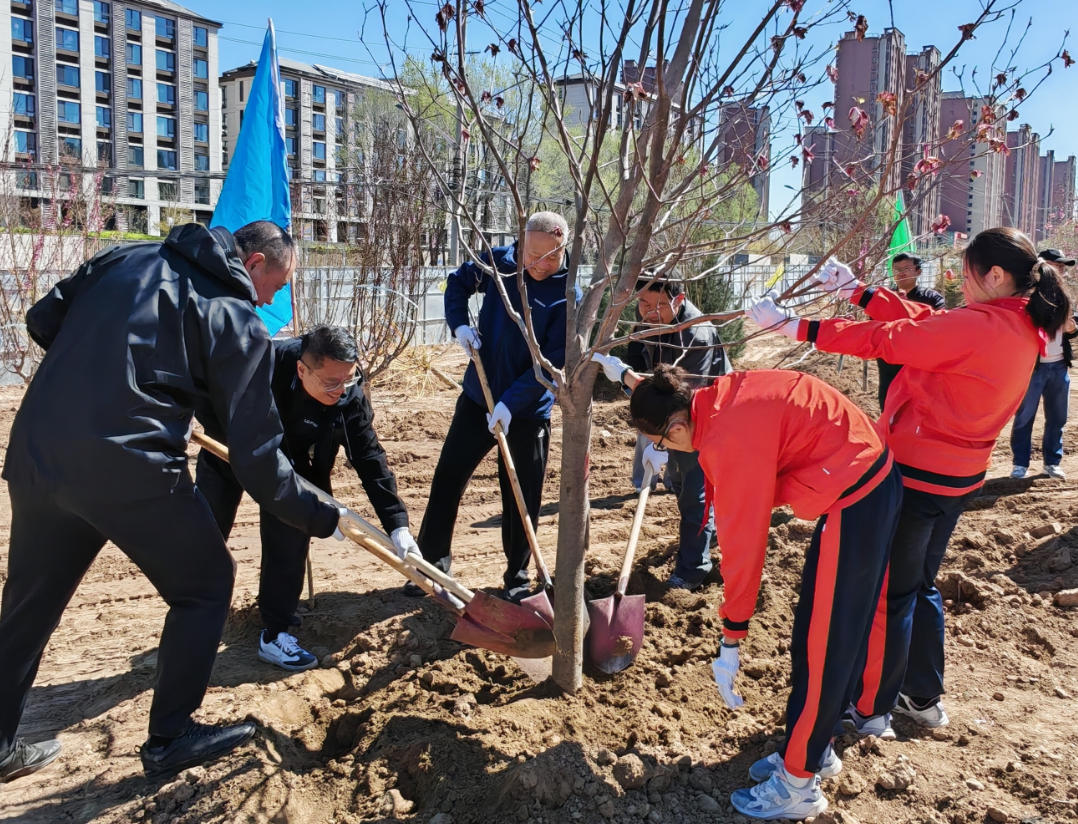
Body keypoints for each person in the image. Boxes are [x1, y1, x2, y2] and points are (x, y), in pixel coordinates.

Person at [0, 221, 341, 783]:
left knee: (28, 603)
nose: (274, 299)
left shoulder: (124, 258)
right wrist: (319, 513)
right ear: (253, 263)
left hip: (41, 449)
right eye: (276, 286)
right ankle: (171, 737)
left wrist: (114, 379)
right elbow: (257, 459)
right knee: (206, 584)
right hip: (128, 467)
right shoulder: (235, 319)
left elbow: (42, 321)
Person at [747, 227, 1070, 736]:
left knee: (888, 594)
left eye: (966, 274)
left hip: (919, 472)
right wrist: (861, 293)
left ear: (995, 275)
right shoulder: (1013, 321)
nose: (961, 284)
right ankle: (921, 694)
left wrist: (796, 327)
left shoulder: (982, 326)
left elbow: (891, 340)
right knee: (917, 585)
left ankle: (871, 709)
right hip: (956, 475)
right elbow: (929, 321)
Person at [593, 359, 901, 820]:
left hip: (857, 497)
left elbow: (743, 544)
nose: (666, 452)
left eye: (660, 443)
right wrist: (621, 375)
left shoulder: (729, 438)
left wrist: (732, 636)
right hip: (852, 483)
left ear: (677, 426)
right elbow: (648, 386)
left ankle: (799, 785)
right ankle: (815, 749)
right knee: (815, 634)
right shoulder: (710, 401)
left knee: (827, 646)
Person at [196, 325, 420, 671]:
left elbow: (369, 458)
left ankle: (274, 633)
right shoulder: (263, 363)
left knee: (291, 532)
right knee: (206, 537)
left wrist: (397, 523)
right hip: (232, 446)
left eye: (347, 379)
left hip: (300, 458)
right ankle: (193, 623)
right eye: (331, 383)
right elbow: (208, 389)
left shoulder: (348, 394)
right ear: (302, 369)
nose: (340, 389)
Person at [411, 212, 573, 602]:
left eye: (550, 257)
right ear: (519, 246)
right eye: (531, 256)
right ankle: (432, 563)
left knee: (521, 496)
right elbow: (459, 282)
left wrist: (511, 403)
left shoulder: (569, 295)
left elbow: (552, 364)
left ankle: (517, 580)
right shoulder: (499, 263)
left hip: (527, 411)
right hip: (477, 396)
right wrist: (458, 325)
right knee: (448, 477)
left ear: (563, 248)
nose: (539, 265)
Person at [622, 276, 727, 590]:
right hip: (671, 420)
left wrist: (663, 436)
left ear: (678, 300)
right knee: (681, 485)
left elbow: (687, 396)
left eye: (656, 306)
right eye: (641, 302)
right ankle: (710, 538)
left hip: (703, 418)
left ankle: (693, 569)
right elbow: (635, 367)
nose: (646, 311)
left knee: (694, 492)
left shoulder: (696, 334)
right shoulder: (645, 324)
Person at [1010, 249, 1078, 480]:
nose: (1060, 270)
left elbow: (1072, 327)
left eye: (1062, 267)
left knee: (1057, 418)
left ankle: (1052, 462)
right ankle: (1020, 463)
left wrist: (1072, 328)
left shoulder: (1063, 296)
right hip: (1033, 368)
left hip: (1059, 366)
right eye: (1055, 265)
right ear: (1041, 265)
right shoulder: (1026, 295)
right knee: (1024, 417)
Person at [875, 254, 945, 408]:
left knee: (915, 408)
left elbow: (940, 326)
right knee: (887, 404)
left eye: (906, 268)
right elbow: (874, 324)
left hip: (919, 364)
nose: (901, 273)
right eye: (897, 269)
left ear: (918, 271)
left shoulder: (932, 299)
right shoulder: (885, 297)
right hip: (889, 361)